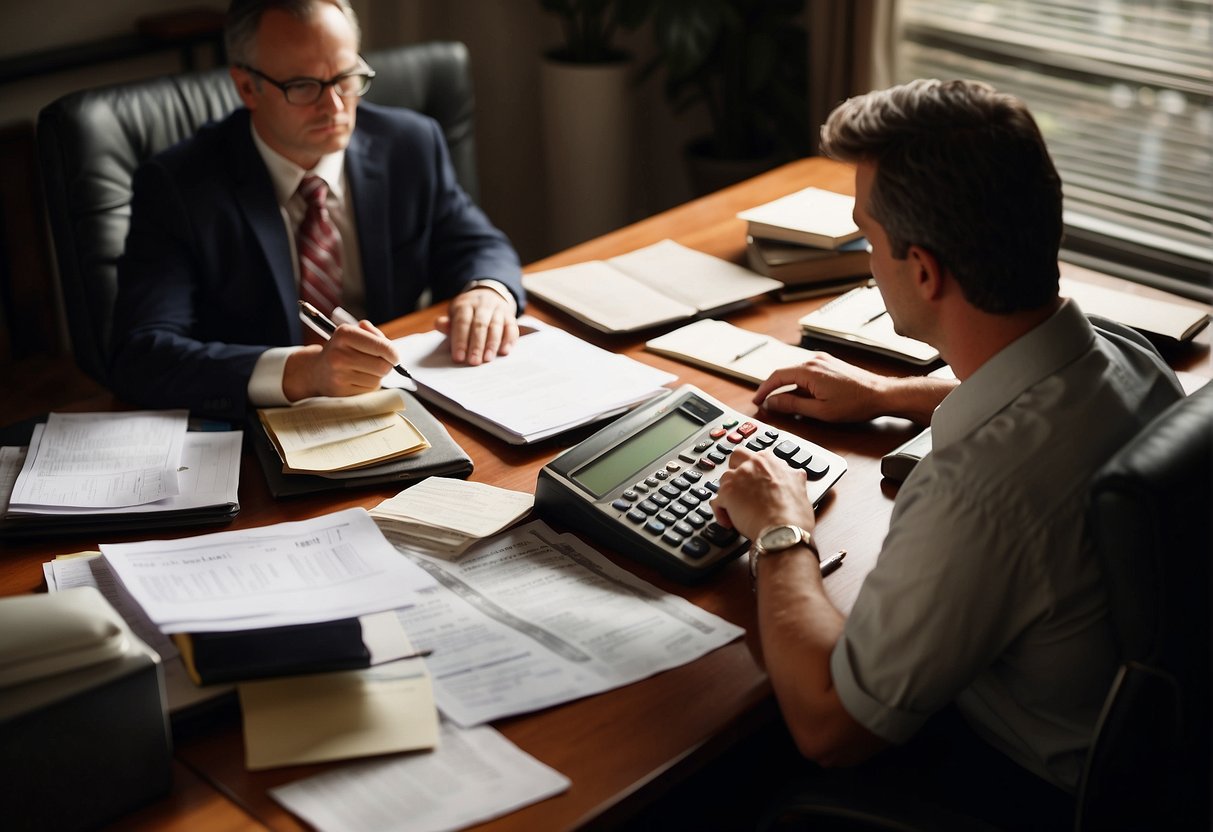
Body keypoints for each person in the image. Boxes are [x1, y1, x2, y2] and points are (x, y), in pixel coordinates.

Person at [711, 79, 1183, 825]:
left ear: (923, 270)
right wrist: (884, 394)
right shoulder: (1123, 356)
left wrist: (779, 527)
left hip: (1024, 790)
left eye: (869, 239)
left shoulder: (975, 493)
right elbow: (1037, 403)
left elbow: (828, 728)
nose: (870, 260)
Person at [109, 0, 524, 420]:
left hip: (400, 401)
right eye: (304, 85)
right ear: (247, 87)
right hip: (261, 430)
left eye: (346, 78)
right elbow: (143, 354)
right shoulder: (177, 186)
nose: (335, 107)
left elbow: (476, 243)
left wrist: (488, 290)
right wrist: (302, 372)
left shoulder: (410, 144)